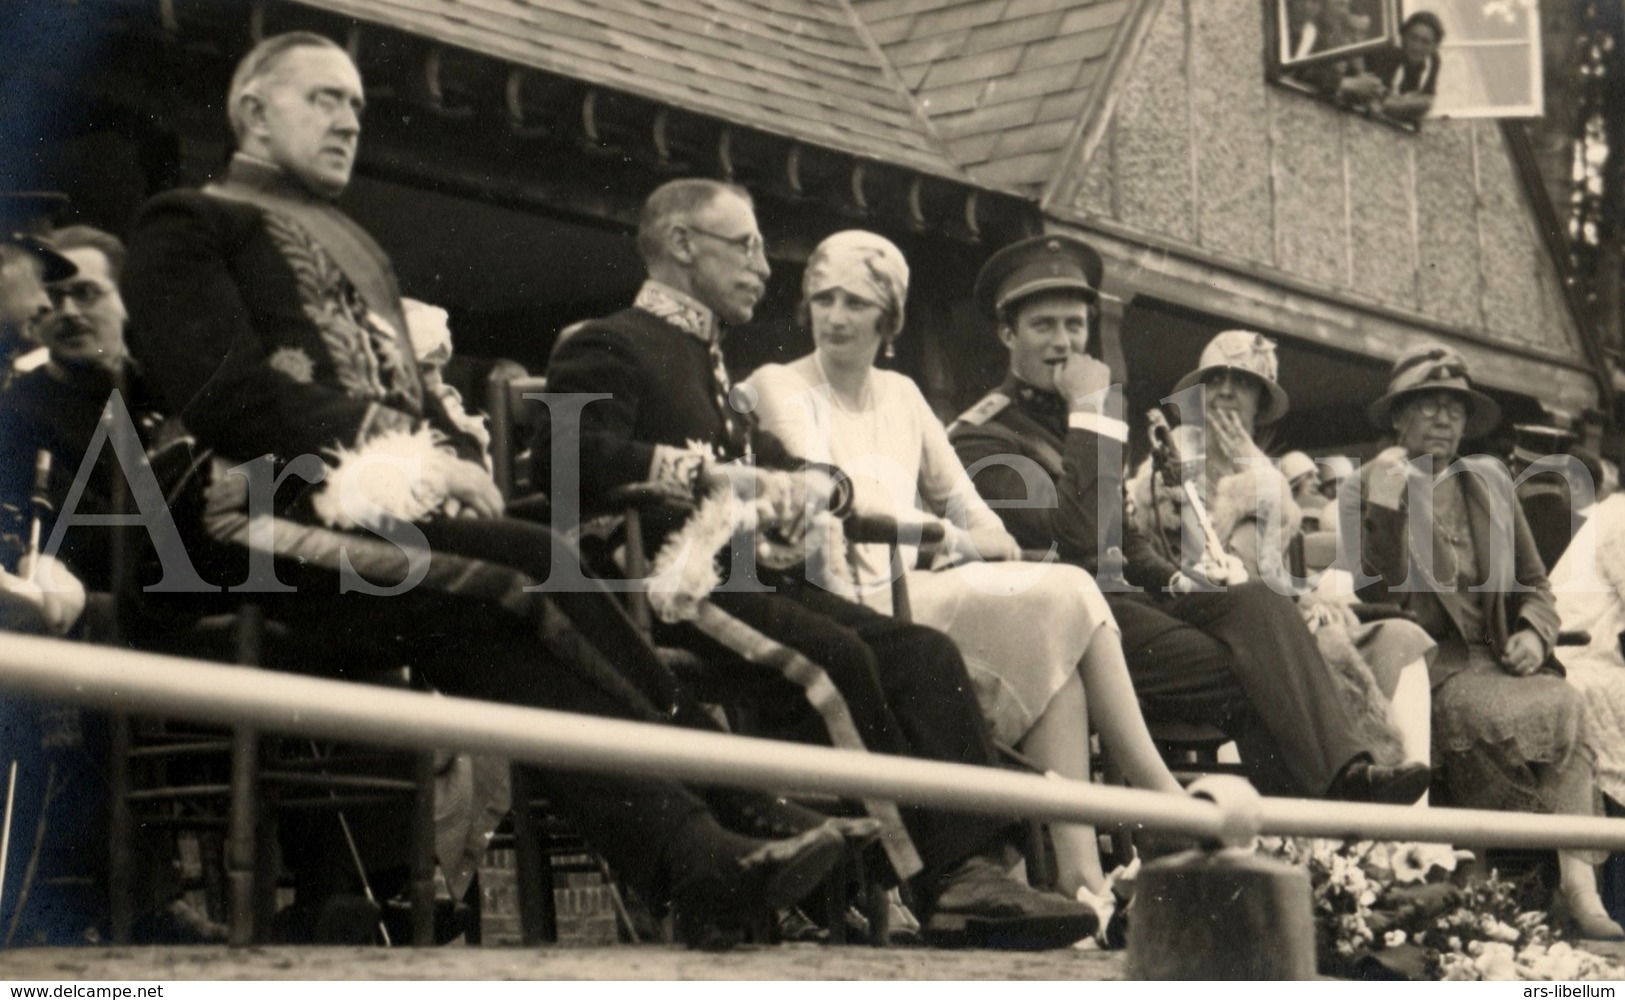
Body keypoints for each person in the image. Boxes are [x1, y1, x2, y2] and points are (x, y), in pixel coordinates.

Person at [118, 31, 881, 949]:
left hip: (388, 537)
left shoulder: (356, 245)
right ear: (251, 112)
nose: (349, 121)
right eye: (324, 99)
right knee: (529, 564)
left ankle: (699, 863)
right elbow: (223, 392)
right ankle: (733, 803)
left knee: (507, 637)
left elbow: (399, 399)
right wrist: (403, 450)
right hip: (244, 519)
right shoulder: (189, 223)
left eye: (358, 106)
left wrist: (449, 457)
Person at [536, 180, 1101, 949]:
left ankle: (975, 868)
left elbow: (777, 462)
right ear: (679, 244)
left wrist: (819, 484)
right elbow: (568, 456)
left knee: (922, 654)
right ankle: (933, 882)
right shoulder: (611, 342)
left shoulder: (708, 364)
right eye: (745, 246)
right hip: (667, 581)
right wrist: (707, 477)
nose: (765, 269)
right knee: (836, 657)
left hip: (751, 577)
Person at [743, 229, 1184, 899]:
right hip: (844, 598)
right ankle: (1160, 802)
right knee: (1059, 598)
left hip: (911, 589)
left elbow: (980, 518)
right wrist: (947, 541)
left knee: (1055, 619)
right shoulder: (780, 386)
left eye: (856, 303)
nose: (834, 317)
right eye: (823, 299)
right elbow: (830, 500)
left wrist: (956, 537)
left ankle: (1081, 878)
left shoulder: (901, 394)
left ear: (888, 318)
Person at [948, 234, 1430, 805]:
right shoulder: (984, 435)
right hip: (1072, 625)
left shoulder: (1084, 411)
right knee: (1258, 672)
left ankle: (1343, 779)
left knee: (1257, 601)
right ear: (1008, 333)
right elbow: (1077, 542)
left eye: (1075, 326)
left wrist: (1179, 579)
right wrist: (1089, 415)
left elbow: (1121, 536)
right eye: (1043, 326)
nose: (1064, 343)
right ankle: (1320, 813)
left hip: (1129, 608)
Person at [1360, 343, 1621, 939]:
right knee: (1513, 714)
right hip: (1428, 669)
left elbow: (1536, 585)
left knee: (1567, 702)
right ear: (1398, 418)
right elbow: (1369, 592)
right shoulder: (1372, 486)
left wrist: (1533, 630)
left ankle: (1578, 890)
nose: (1444, 419)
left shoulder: (1490, 482)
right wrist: (1384, 502)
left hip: (1500, 660)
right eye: (1428, 406)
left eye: (1454, 407)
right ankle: (1506, 884)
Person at [1124, 330, 1435, 780]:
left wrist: (1310, 599)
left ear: (1259, 404)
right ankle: (1343, 803)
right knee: (1311, 654)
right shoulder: (1165, 464)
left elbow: (1276, 575)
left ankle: (1413, 834)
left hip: (1273, 613)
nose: (1228, 393)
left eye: (1244, 383)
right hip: (1206, 622)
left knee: (1399, 638)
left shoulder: (1268, 477)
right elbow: (1173, 565)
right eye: (1216, 382)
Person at [0, 225, 158, 596]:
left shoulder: (173, 399)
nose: (68, 312)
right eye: (53, 297)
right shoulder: (15, 414)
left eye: (86, 294)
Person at [1363, 11, 1444, 123]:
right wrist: (1411, 104)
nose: (1417, 47)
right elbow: (1375, 102)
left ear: (1435, 46)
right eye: (1413, 38)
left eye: (1425, 42)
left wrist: (1405, 104)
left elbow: (1427, 99)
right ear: (1404, 36)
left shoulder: (1433, 60)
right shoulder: (1391, 52)